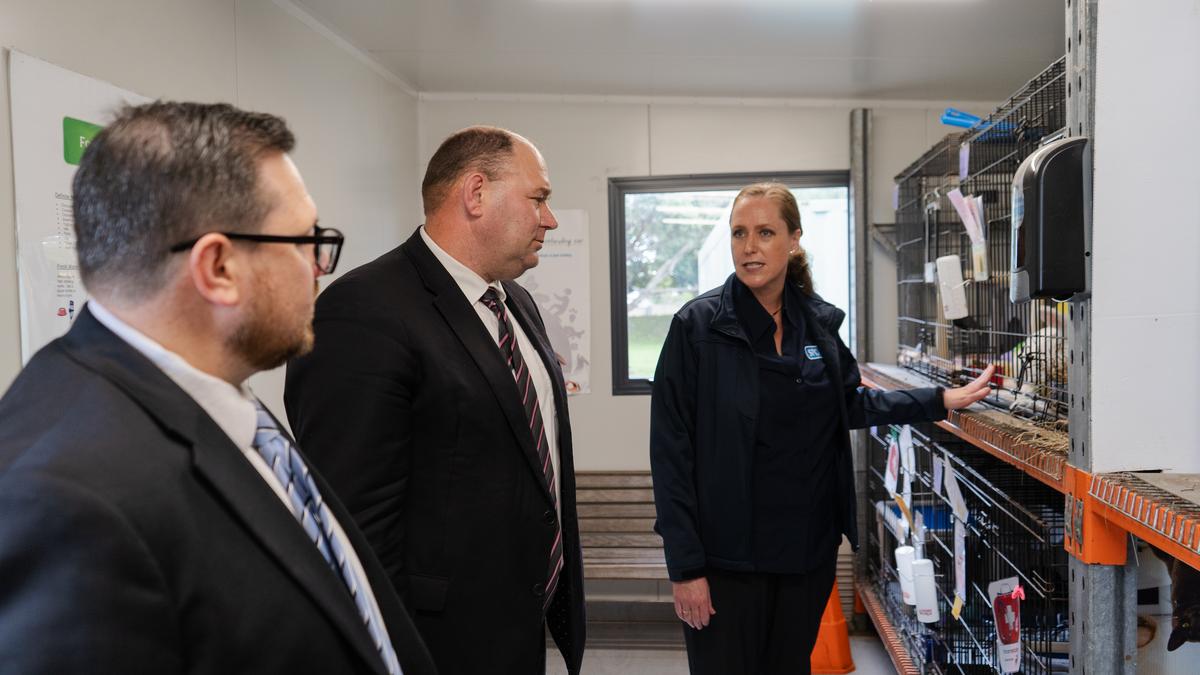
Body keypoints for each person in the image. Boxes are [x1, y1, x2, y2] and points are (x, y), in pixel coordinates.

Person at [0, 102, 436, 675]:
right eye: (305, 240)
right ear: (219, 268)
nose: (318, 267)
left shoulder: (215, 397)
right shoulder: (66, 498)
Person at [650, 182, 993, 675]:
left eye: (765, 232)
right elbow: (670, 453)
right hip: (727, 562)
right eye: (739, 233)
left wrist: (939, 399)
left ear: (793, 240)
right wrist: (686, 571)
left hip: (804, 556)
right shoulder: (698, 328)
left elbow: (850, 406)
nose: (749, 247)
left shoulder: (817, 324)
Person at [284, 126, 585, 675]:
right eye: (539, 198)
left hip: (518, 624)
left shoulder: (514, 300)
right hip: (434, 643)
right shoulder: (362, 311)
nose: (550, 219)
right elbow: (355, 522)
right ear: (475, 194)